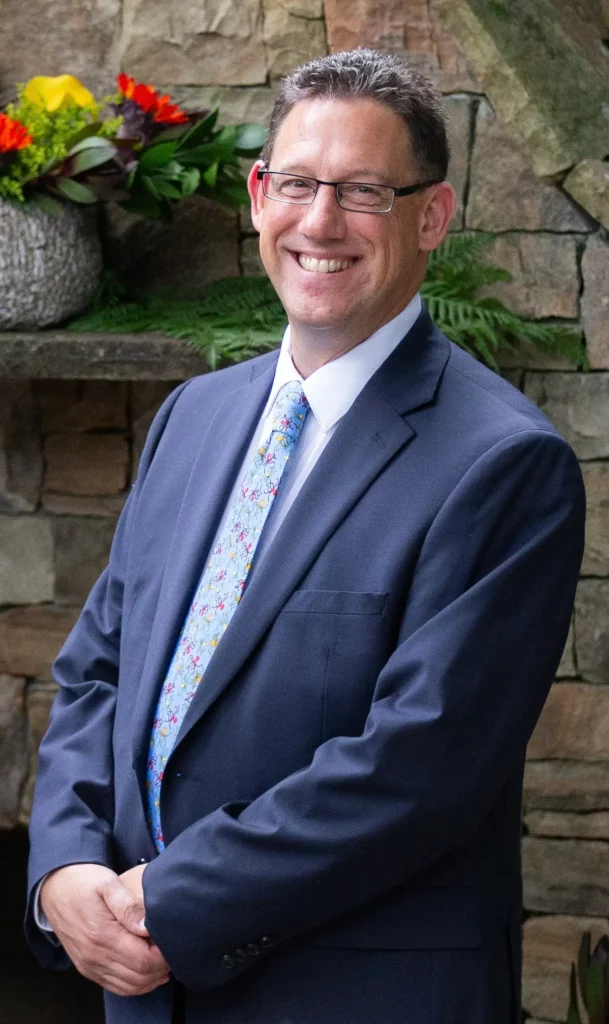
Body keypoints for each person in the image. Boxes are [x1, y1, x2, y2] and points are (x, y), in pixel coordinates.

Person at [26, 48, 585, 1024]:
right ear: (257, 195)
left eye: (364, 190)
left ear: (432, 217)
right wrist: (66, 866)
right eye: (298, 183)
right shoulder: (192, 417)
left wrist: (163, 903)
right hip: (143, 990)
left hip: (353, 992)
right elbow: (96, 673)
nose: (320, 221)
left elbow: (418, 770)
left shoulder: (504, 465)